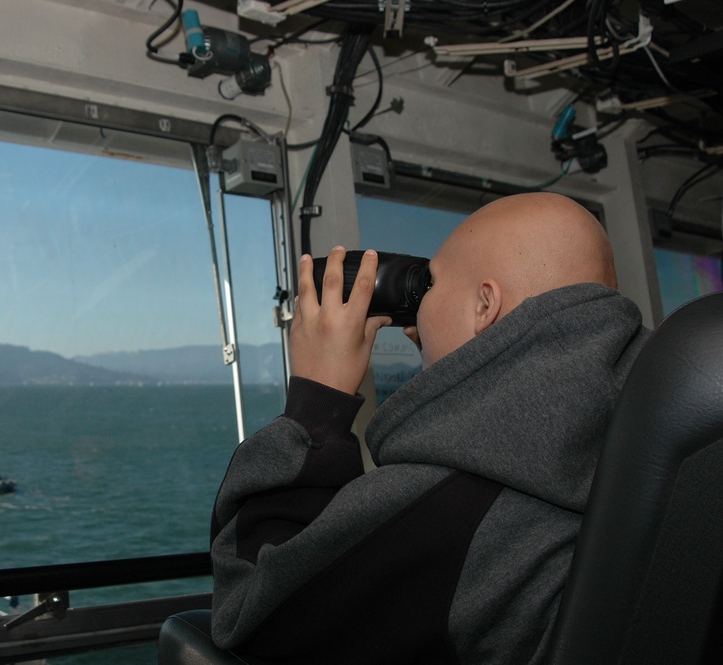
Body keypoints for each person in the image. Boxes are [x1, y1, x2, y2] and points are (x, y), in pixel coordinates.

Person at [209, 192, 650, 664]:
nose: (413, 327)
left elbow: (249, 621)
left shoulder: (443, 507)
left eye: (430, 286)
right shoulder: (661, 450)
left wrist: (315, 406)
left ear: (486, 306)